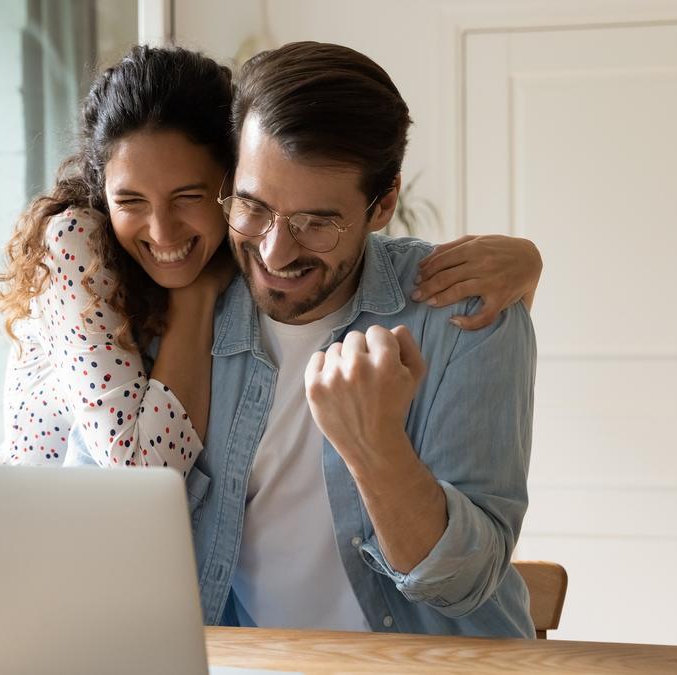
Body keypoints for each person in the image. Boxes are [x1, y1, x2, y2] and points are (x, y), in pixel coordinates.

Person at [0, 45, 542, 475]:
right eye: (130, 200)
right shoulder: (81, 244)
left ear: (231, 178)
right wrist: (196, 296)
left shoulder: (245, 262)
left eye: (189, 197)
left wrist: (526, 261)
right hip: (34, 540)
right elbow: (142, 473)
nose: (161, 231)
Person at [172, 41, 537, 638]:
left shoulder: (468, 310)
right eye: (253, 206)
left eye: (317, 222)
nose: (274, 250)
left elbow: (465, 582)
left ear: (383, 203)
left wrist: (373, 446)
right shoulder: (189, 310)